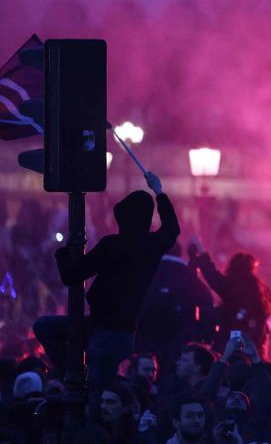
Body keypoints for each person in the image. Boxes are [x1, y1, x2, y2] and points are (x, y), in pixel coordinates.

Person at [33, 172, 179, 421]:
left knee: (96, 403)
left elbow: (72, 275)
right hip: (117, 332)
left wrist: (63, 254)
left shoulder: (113, 245)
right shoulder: (152, 246)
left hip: (105, 333)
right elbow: (172, 228)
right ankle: (74, 377)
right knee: (96, 391)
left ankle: (75, 384)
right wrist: (159, 191)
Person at [137, 240, 214, 375]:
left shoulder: (146, 270)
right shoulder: (186, 273)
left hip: (146, 333)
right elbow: (207, 299)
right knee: (172, 372)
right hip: (179, 335)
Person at [192, 246, 271, 355]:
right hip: (255, 344)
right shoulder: (261, 291)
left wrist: (202, 254)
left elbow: (213, 277)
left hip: (234, 341)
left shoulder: (233, 288)